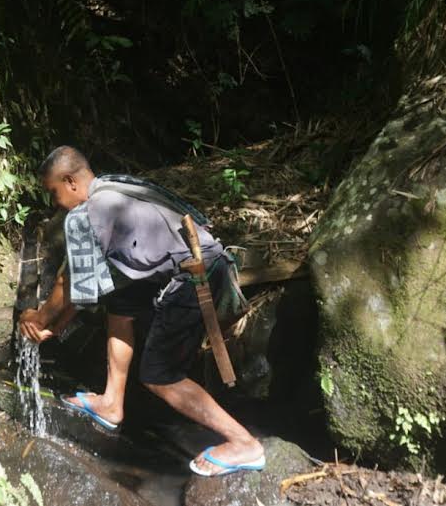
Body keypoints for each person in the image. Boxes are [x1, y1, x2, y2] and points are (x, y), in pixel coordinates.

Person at [18, 146, 265, 476]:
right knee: (121, 303)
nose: (55, 203)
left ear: (70, 181)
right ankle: (111, 403)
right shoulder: (114, 189)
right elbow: (87, 287)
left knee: (159, 374)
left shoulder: (85, 214)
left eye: (54, 192)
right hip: (207, 264)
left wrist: (39, 318)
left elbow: (67, 280)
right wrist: (57, 326)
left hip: (193, 277)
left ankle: (244, 444)